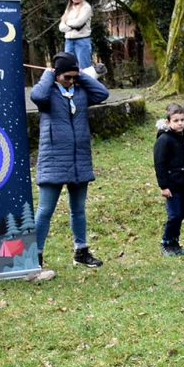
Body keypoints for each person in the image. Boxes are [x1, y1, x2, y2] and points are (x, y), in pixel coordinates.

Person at [31, 51, 110, 270]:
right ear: (56, 75)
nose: (71, 81)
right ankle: (34, 256)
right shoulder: (47, 93)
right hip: (53, 161)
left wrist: (81, 74)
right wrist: (48, 75)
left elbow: (102, 93)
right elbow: (36, 96)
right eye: (67, 77)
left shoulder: (81, 91)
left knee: (78, 209)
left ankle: (81, 251)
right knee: (45, 211)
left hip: (79, 161)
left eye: (74, 77)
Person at [154, 103, 184, 256]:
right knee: (174, 214)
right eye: (176, 121)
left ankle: (175, 242)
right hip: (171, 185)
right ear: (168, 122)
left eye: (182, 120)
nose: (180, 123)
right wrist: (164, 186)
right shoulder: (164, 140)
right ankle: (166, 241)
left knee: (181, 214)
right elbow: (160, 164)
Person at [58, 0, 93, 70]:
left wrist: (67, 24)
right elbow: (61, 26)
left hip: (82, 41)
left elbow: (78, 22)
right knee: (70, 68)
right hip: (69, 41)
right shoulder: (69, 9)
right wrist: (71, 26)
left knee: (83, 69)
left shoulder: (86, 7)